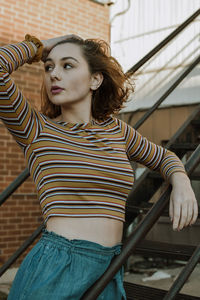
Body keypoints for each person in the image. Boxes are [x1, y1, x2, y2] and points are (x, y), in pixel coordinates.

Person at [0, 34, 198, 300]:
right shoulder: (36, 129)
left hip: (109, 268)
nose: (54, 75)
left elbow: (165, 157)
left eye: (67, 65)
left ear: (96, 79)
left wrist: (181, 181)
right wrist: (37, 47)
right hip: (56, 267)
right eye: (49, 67)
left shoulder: (117, 131)